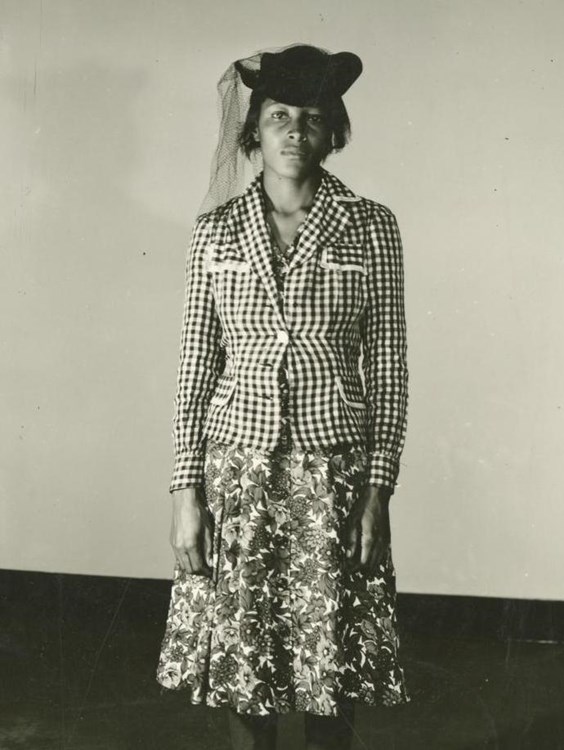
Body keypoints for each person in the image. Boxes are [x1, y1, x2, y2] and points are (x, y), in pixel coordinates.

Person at [156, 43, 410, 750]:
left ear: (333, 132)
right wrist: (185, 494)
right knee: (245, 660)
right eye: (278, 116)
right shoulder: (215, 234)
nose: (295, 130)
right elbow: (193, 368)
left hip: (334, 474)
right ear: (254, 132)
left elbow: (388, 366)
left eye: (312, 117)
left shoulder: (371, 228)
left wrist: (378, 491)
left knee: (333, 664)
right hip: (237, 471)